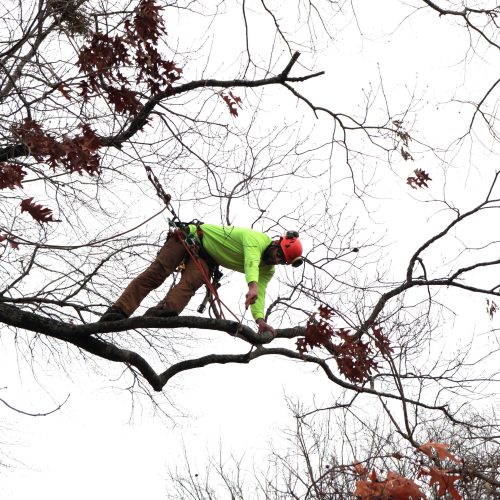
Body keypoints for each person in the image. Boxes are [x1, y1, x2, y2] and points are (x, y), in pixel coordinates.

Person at [99, 223, 303, 335]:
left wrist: (259, 319)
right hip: (192, 238)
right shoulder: (256, 240)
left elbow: (261, 292)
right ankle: (119, 310)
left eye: (281, 261)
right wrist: (252, 285)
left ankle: (162, 313)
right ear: (277, 243)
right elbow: (251, 261)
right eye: (278, 255)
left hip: (206, 257)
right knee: (158, 273)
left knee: (191, 283)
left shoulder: (268, 270)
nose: (275, 260)